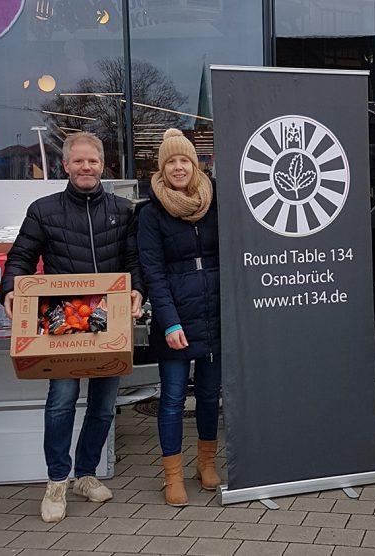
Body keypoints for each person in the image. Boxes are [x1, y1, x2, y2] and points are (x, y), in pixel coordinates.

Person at [0, 131, 145, 523]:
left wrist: (139, 292)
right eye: (78, 161)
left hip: (109, 320)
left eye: (92, 161)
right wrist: (10, 289)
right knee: (61, 402)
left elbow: (135, 261)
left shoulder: (123, 210)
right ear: (65, 165)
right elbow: (21, 258)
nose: (86, 168)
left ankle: (86, 473)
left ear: (102, 165)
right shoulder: (43, 210)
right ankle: (56, 481)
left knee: (102, 405)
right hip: (62, 322)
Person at [137, 128, 221, 507]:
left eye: (184, 159)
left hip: (216, 311)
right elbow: (152, 271)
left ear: (195, 163)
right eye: (170, 161)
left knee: (208, 395)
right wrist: (169, 322)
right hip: (176, 316)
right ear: (162, 167)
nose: (178, 167)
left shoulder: (216, 200)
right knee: (171, 398)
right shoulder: (151, 212)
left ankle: (206, 464)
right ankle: (172, 475)